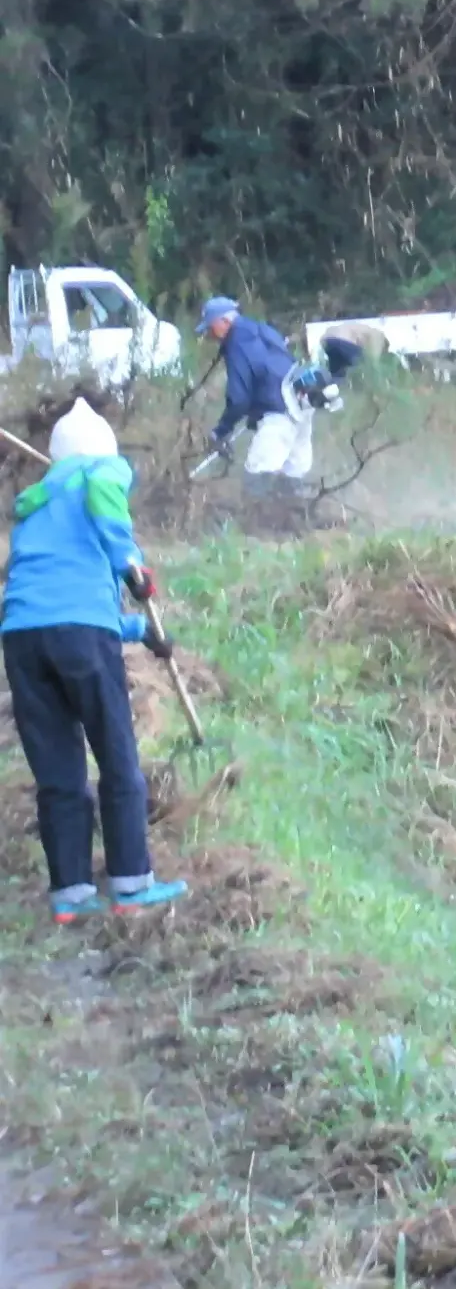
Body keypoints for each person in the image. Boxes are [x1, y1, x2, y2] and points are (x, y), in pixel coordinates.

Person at [2, 399, 186, 923]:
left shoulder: (35, 506)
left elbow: (66, 599)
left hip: (22, 638)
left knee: (58, 769)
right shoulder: (101, 473)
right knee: (117, 756)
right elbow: (109, 525)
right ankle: (131, 884)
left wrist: (142, 631)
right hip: (79, 634)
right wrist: (132, 567)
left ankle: (71, 894)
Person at [198, 296, 314, 499]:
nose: (210, 334)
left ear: (224, 321)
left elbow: (239, 399)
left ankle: (257, 517)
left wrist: (221, 431)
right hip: (302, 406)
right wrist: (256, 412)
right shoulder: (263, 330)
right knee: (293, 475)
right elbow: (275, 367)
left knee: (257, 475)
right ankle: (300, 514)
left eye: (210, 326)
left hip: (278, 413)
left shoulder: (236, 342)